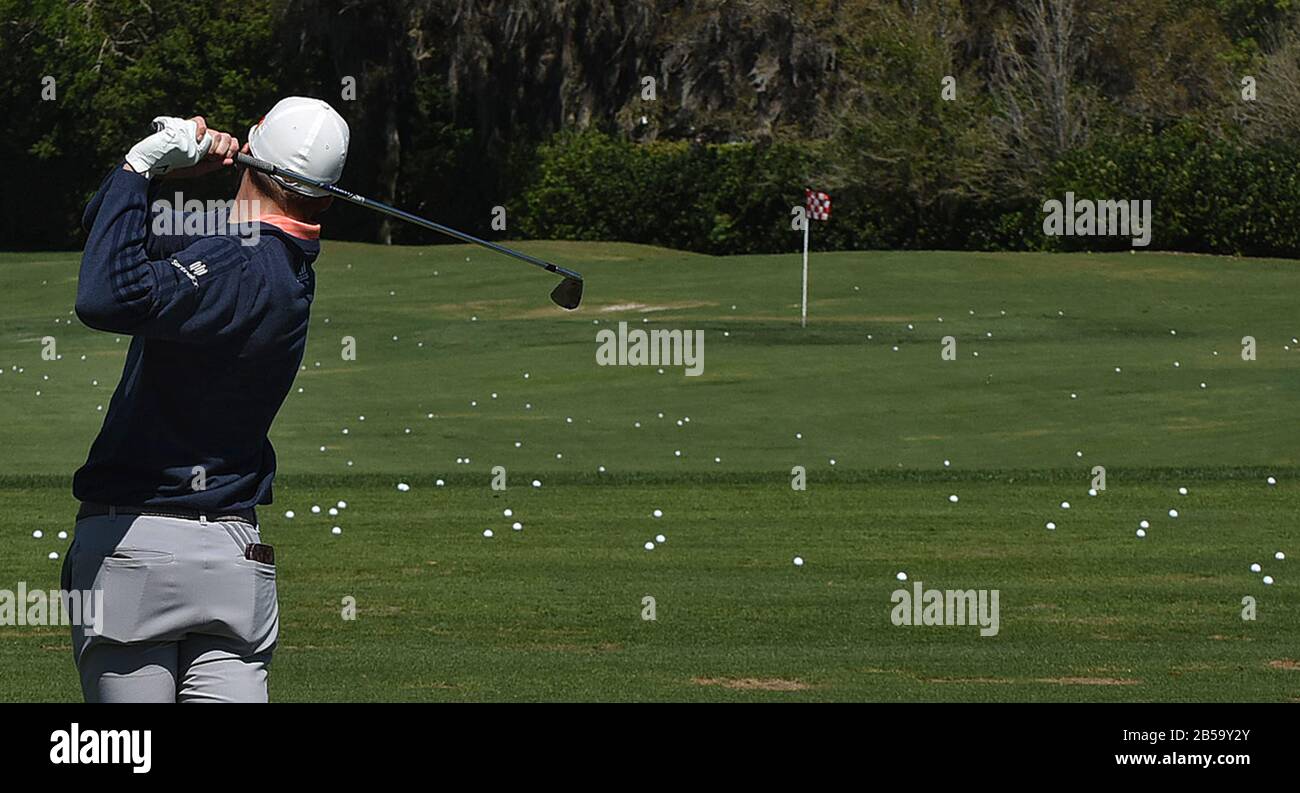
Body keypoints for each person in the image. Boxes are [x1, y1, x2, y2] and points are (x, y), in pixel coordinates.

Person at [65, 97, 349, 702]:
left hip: (137, 544)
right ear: (325, 197)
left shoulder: (233, 263)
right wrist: (152, 180)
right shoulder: (277, 266)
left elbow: (103, 297)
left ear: (252, 150)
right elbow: (106, 235)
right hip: (230, 559)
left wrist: (143, 164)